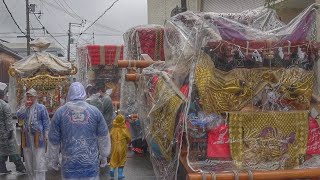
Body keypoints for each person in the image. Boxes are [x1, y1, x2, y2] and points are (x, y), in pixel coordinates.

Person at [47, 82, 111, 180]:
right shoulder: (95, 112)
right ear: (84, 94)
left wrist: (53, 159)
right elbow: (103, 136)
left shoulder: (60, 113)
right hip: (90, 163)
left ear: (69, 94)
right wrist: (104, 155)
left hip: (69, 164)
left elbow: (53, 139)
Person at [16, 88, 50, 180]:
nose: (29, 99)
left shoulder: (41, 108)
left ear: (35, 98)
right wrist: (24, 107)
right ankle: (32, 178)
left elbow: (46, 122)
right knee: (28, 161)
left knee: (39, 161)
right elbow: (18, 115)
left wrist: (46, 135)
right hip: (27, 138)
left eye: (31, 97)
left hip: (39, 138)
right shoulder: (25, 108)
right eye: (28, 96)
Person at [0, 88, 26, 174]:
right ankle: (20, 167)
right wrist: (10, 132)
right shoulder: (5, 106)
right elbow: (8, 121)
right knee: (12, 149)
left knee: (1, 150)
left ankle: (2, 168)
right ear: (3, 95)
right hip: (6, 133)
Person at [109, 114, 131, 179]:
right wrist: (127, 142)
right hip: (122, 146)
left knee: (114, 158)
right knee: (122, 159)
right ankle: (120, 174)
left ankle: (112, 169)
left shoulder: (113, 128)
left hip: (114, 147)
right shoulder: (124, 128)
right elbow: (128, 137)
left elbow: (110, 136)